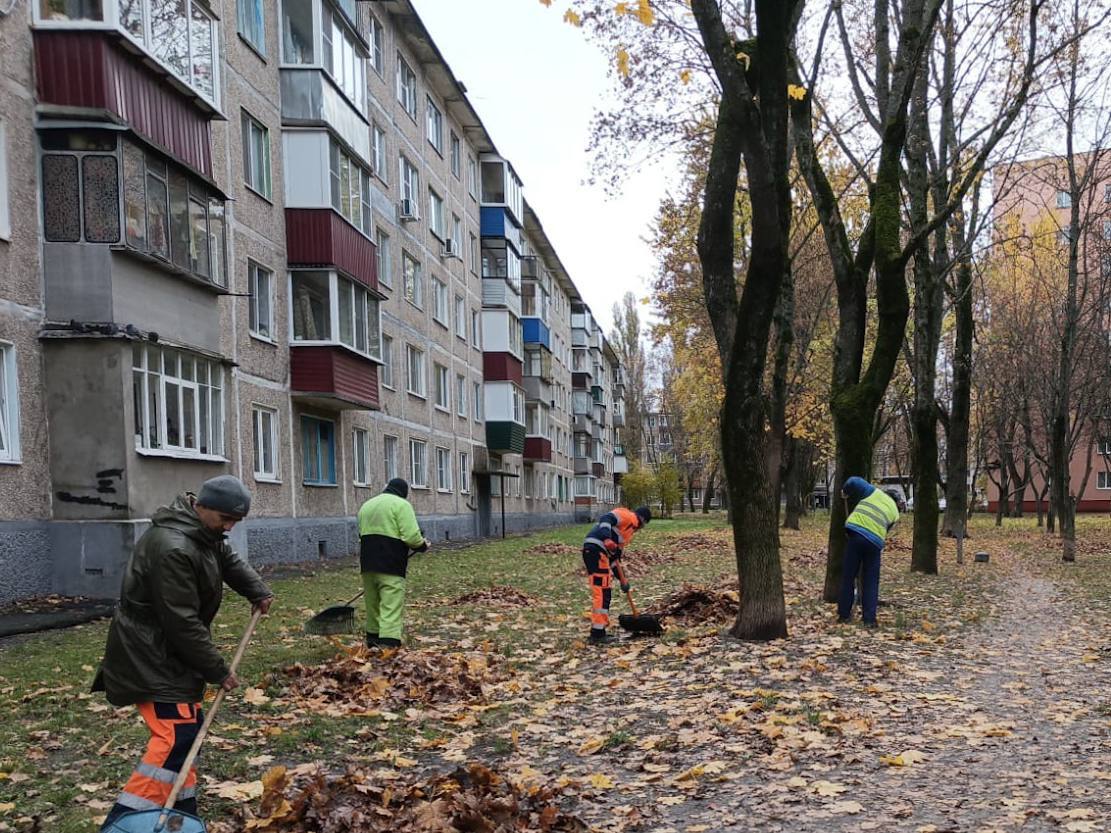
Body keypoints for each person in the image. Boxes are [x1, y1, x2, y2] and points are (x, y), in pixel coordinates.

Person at [93, 475, 273, 829]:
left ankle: (180, 815)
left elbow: (226, 558)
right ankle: (125, 821)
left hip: (171, 654)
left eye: (236, 521)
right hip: (150, 656)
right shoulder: (173, 548)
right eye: (225, 519)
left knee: (189, 733)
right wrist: (217, 670)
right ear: (201, 506)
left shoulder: (203, 532)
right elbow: (182, 622)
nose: (230, 527)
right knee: (175, 737)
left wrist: (257, 590)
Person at [356, 478, 429, 648]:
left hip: (367, 564)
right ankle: (389, 644)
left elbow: (361, 535)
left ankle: (372, 641)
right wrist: (423, 545)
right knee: (391, 605)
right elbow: (411, 537)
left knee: (372, 605)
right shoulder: (401, 505)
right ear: (404, 493)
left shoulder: (366, 506)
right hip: (391, 564)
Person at [582, 505, 652, 645]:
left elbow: (614, 559)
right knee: (602, 592)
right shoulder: (628, 517)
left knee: (605, 591)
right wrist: (606, 539)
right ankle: (597, 634)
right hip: (596, 550)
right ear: (643, 520)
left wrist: (622, 579)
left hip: (597, 553)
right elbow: (606, 519)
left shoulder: (628, 532)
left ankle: (599, 629)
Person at [838, 476, 900, 627]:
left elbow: (853, 481)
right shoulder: (895, 513)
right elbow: (886, 529)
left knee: (848, 577)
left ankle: (844, 615)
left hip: (855, 535)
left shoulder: (874, 492)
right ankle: (869, 620)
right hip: (874, 543)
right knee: (871, 581)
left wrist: (845, 491)